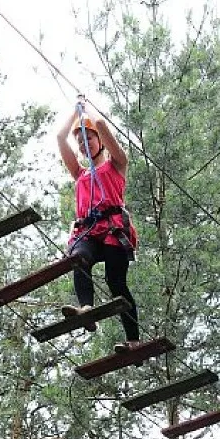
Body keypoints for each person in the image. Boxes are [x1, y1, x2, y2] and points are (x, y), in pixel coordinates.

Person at [56, 98, 140, 353]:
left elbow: (101, 124)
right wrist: (74, 113)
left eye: (88, 138)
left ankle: (134, 341)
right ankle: (86, 309)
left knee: (116, 282)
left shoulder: (117, 164)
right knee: (78, 258)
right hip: (88, 232)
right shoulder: (79, 173)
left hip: (113, 229)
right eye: (80, 142)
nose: (83, 144)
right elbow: (60, 138)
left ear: (100, 140)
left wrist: (86, 109)